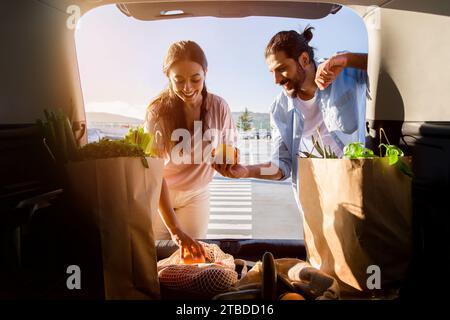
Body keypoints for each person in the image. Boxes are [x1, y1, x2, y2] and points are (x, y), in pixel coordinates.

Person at [213, 26, 368, 192]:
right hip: (317, 198)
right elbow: (281, 166)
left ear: (304, 59)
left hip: (357, 186)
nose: (276, 80)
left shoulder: (344, 72)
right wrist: (245, 171)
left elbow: (390, 66)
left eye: (281, 69)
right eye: (272, 72)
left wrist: (347, 60)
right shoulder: (279, 109)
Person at [145, 41, 237, 260]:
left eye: (195, 79)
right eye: (179, 80)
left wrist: (228, 158)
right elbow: (153, 173)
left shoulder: (219, 107)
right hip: (161, 194)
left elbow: (228, 150)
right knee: (154, 256)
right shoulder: (156, 111)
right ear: (168, 77)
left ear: (205, 72)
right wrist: (175, 231)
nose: (187, 88)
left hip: (197, 194)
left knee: (191, 260)